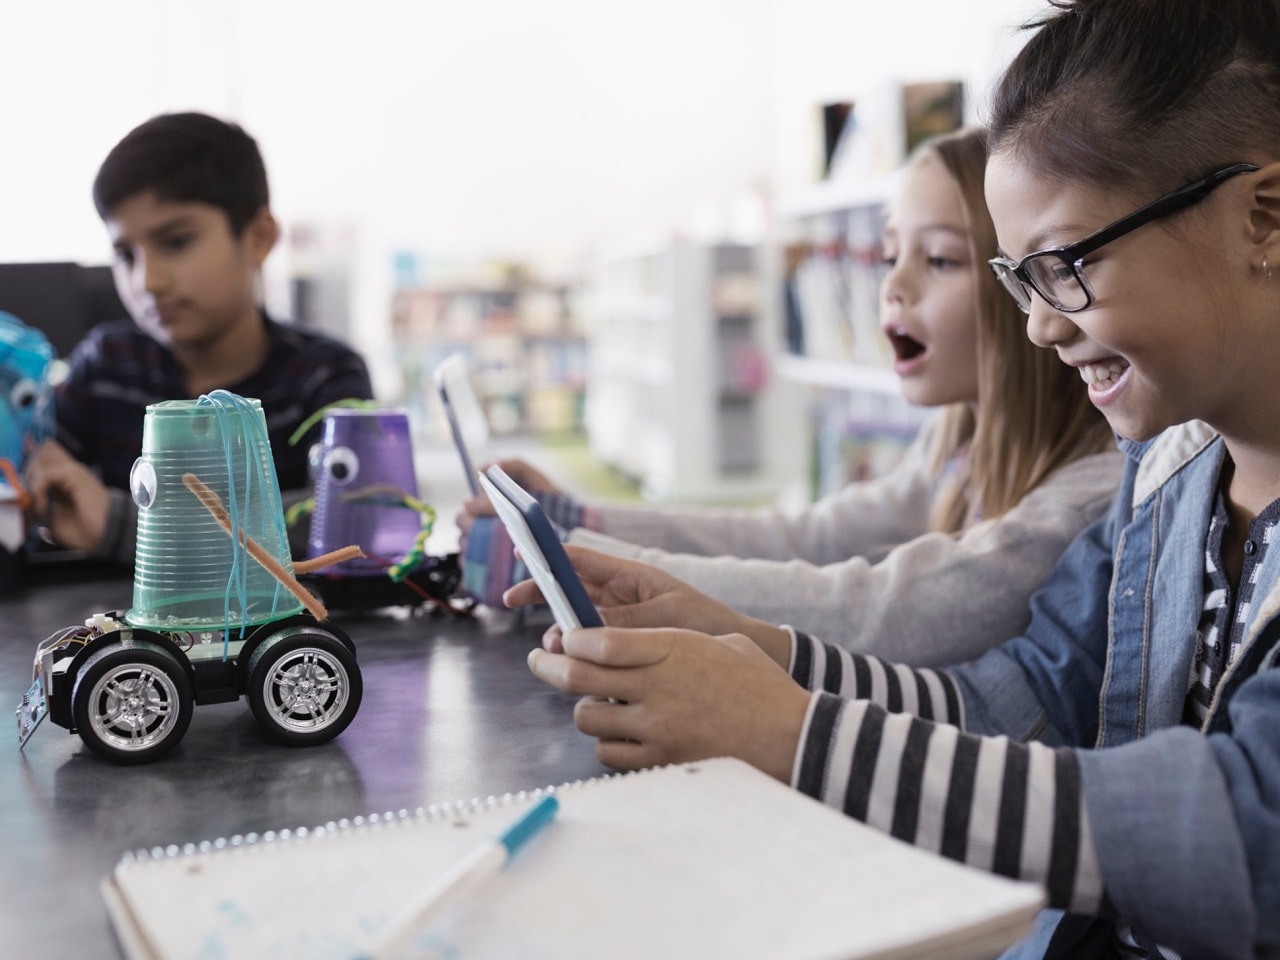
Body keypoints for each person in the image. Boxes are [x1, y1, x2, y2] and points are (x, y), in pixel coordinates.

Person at [519, 1, 1280, 955]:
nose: (1040, 326)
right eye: (1020, 279)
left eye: (1065, 266)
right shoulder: (1166, 477)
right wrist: (759, 652)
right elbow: (1018, 701)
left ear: (1264, 215)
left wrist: (795, 733)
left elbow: (1248, 833)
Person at [463, 126, 1121, 665]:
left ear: (1026, 285)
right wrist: (585, 524)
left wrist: (605, 561)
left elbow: (883, 608)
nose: (893, 287)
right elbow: (809, 536)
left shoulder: (1089, 494)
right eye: (890, 254)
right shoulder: (957, 444)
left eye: (941, 259)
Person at [25, 112, 374, 565]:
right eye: (125, 255)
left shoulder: (324, 376)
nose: (147, 281)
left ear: (258, 237)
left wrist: (120, 526)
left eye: (176, 242)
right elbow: (36, 474)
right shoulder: (107, 367)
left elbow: (347, 523)